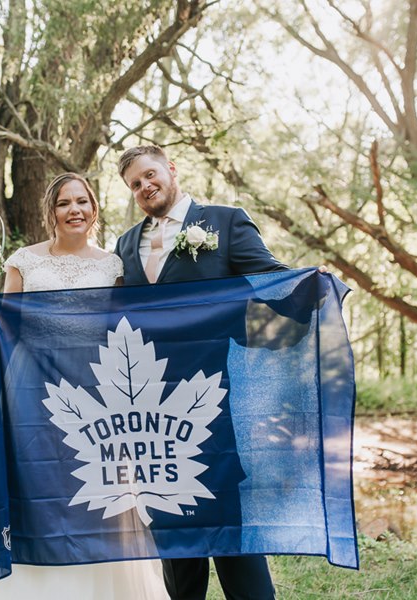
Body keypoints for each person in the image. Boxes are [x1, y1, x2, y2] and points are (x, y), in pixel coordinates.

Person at [0, 172, 168, 599]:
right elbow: (6, 324)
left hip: (95, 390)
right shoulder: (24, 261)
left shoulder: (113, 265)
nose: (74, 210)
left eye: (82, 202)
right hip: (31, 389)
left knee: (100, 486)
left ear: (93, 209)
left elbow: (120, 330)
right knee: (39, 484)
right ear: (51, 212)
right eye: (63, 203)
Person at [114, 145, 285, 600]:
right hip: (149, 413)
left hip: (213, 401)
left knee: (229, 527)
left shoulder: (226, 223)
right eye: (135, 185)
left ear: (171, 169)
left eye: (150, 175)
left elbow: (272, 279)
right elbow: (111, 318)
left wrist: (313, 284)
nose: (145, 187)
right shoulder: (126, 244)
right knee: (173, 533)